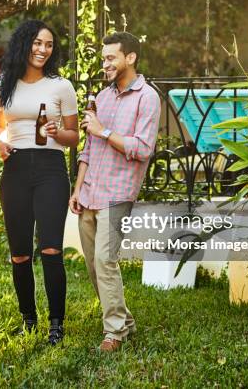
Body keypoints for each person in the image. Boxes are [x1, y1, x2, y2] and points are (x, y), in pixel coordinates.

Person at [69, 31, 160, 352]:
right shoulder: (102, 97)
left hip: (119, 191)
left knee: (106, 260)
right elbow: (88, 149)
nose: (104, 63)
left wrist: (103, 130)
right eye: (103, 58)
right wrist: (77, 189)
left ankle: (114, 333)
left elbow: (143, 147)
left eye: (111, 58)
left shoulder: (147, 97)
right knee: (94, 266)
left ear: (130, 58)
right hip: (90, 190)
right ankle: (125, 321)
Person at [0, 19, 79, 345]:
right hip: (15, 169)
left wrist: (60, 133)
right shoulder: (5, 83)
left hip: (50, 170)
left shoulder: (61, 86)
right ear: (24, 43)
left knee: (51, 248)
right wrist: (0, 141)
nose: (43, 50)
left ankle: (56, 324)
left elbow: (74, 137)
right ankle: (28, 318)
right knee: (19, 253)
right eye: (37, 43)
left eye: (48, 45)